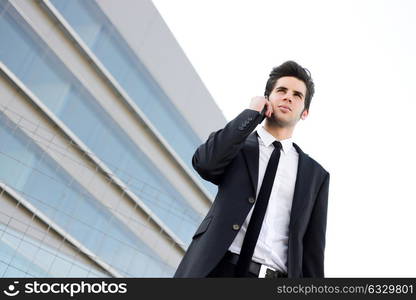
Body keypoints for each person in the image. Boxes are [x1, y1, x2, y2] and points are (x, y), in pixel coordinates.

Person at [174, 61, 330, 278]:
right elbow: (205, 164)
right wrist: (250, 113)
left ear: (304, 112)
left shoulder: (315, 175)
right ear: (268, 98)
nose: (288, 97)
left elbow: (313, 251)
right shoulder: (236, 145)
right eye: (281, 90)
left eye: (297, 95)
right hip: (218, 269)